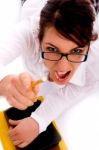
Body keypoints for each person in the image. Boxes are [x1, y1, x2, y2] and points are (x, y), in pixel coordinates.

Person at [0, 0, 99, 148]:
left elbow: (80, 87)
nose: (63, 67)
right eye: (52, 49)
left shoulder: (95, 59)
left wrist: (39, 120)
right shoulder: (27, 30)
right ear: (38, 36)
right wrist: (2, 83)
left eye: (77, 51)